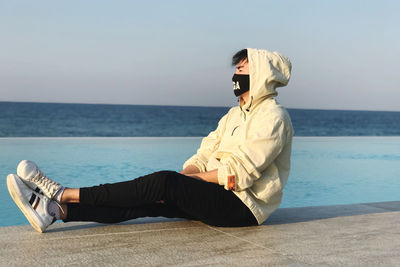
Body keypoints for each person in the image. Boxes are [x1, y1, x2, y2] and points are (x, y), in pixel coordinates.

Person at [6, 48, 294, 233]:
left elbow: (240, 173)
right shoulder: (234, 115)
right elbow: (205, 152)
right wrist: (186, 179)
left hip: (243, 206)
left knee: (163, 183)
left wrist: (181, 184)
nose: (235, 76)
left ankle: (62, 193)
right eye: (236, 70)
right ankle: (55, 211)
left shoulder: (274, 117)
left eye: (242, 71)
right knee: (150, 198)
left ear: (260, 76)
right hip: (215, 197)